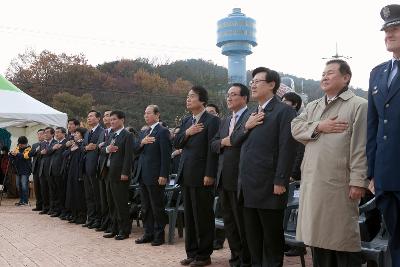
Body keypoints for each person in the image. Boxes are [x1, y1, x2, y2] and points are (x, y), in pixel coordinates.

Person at [291, 60, 368, 267]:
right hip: (313, 180)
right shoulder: (313, 105)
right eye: (323, 73)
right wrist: (320, 126)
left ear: (346, 78)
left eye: (331, 73)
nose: (324, 77)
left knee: (342, 239)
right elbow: (295, 128)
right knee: (318, 240)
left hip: (339, 182)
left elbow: (361, 146)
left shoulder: (359, 105)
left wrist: (358, 181)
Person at [231, 67, 297, 266]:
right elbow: (234, 140)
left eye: (257, 81)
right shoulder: (251, 113)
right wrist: (246, 126)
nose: (252, 84)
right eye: (252, 81)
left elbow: (288, 148)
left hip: (269, 186)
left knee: (271, 241)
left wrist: (280, 180)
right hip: (248, 186)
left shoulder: (284, 111)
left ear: (272, 85)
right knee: (253, 241)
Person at [367, 4, 400, 266]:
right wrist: (371, 172)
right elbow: (374, 125)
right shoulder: (378, 73)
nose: (389, 33)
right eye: (387, 29)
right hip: (386, 176)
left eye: (396, 28)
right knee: (396, 240)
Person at [174, 86, 220, 267]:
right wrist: (187, 132)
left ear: (202, 100)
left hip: (202, 175)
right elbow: (176, 143)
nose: (188, 99)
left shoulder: (212, 121)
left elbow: (213, 150)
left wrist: (210, 173)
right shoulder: (187, 121)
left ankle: (204, 255)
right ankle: (191, 253)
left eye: (192, 96)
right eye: (187, 96)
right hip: (186, 173)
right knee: (190, 217)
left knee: (203, 216)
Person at [210, 83, 251, 267]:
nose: (229, 98)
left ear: (244, 98)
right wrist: (225, 142)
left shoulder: (251, 117)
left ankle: (246, 259)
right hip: (224, 178)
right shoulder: (225, 120)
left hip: (241, 179)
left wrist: (226, 142)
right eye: (228, 94)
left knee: (243, 224)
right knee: (230, 223)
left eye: (233, 94)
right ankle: (235, 258)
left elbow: (245, 142)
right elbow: (213, 144)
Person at [134, 105, 171, 246]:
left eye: (149, 113)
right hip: (143, 174)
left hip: (156, 175)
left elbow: (166, 155)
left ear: (157, 115)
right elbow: (135, 150)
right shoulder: (144, 132)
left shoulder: (163, 131)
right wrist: (142, 142)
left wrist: (163, 174)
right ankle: (148, 233)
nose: (146, 115)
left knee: (157, 207)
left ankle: (159, 235)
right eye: (145, 113)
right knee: (145, 207)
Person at [100, 111, 133, 240]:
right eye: (110, 119)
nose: (111, 121)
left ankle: (124, 230)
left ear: (122, 120)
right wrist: (108, 149)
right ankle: (114, 229)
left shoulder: (127, 135)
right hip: (108, 173)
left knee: (121, 203)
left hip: (120, 175)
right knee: (111, 203)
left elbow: (128, 156)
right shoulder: (111, 135)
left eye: (114, 119)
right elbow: (102, 150)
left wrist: (125, 172)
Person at [82, 110, 104, 229]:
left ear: (98, 118)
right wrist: (86, 147)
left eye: (91, 116)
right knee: (89, 195)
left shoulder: (102, 131)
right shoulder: (87, 132)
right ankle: (90, 218)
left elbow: (102, 147)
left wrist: (95, 147)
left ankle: (98, 219)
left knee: (97, 195)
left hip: (95, 167)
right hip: (85, 167)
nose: (89, 118)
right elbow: (82, 147)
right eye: (88, 116)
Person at [64, 127, 87, 224]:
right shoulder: (74, 144)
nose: (75, 135)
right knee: (71, 194)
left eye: (77, 133)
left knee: (79, 195)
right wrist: (70, 148)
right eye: (75, 133)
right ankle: (74, 215)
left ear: (82, 134)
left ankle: (81, 216)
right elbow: (64, 154)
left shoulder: (83, 144)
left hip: (79, 172)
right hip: (71, 171)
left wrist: (78, 147)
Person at [282, 92, 305, 183]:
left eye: (285, 102)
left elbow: (300, 150)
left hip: (289, 173)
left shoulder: (297, 122)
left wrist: (293, 174)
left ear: (295, 104)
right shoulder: (282, 120)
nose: (282, 104)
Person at [96, 110, 113, 232]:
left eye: (109, 115)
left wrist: (104, 147)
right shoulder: (103, 132)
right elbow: (98, 149)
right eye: (105, 115)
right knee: (103, 199)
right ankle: (105, 222)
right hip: (102, 168)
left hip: (112, 168)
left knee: (111, 199)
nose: (106, 117)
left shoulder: (116, 133)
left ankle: (112, 224)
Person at [48, 127, 67, 217]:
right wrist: (53, 148)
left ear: (64, 133)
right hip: (52, 170)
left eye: (58, 132)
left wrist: (62, 146)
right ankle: (56, 210)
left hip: (60, 170)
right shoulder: (55, 143)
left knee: (61, 192)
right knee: (54, 191)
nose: (56, 134)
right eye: (55, 132)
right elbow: (48, 152)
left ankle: (63, 211)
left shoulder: (66, 143)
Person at [9, 136, 32, 206]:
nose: (20, 145)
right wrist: (11, 154)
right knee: (18, 186)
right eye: (19, 144)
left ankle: (26, 201)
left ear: (25, 143)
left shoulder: (29, 149)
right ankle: (21, 200)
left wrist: (17, 154)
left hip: (25, 170)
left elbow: (25, 156)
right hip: (17, 170)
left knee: (24, 186)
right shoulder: (17, 148)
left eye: (22, 144)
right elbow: (14, 156)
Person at [38, 127, 56, 214]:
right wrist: (41, 152)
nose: (45, 134)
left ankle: (52, 208)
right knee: (43, 189)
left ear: (52, 134)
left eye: (48, 132)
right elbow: (39, 154)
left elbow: (50, 152)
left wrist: (47, 151)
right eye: (44, 132)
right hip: (42, 169)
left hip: (50, 170)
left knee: (51, 190)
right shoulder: (42, 144)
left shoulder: (55, 143)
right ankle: (45, 207)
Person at [29, 129, 45, 211]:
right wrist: (36, 150)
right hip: (36, 168)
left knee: (43, 188)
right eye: (38, 134)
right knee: (37, 188)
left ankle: (45, 206)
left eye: (41, 134)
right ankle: (38, 205)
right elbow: (30, 154)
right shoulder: (35, 145)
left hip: (44, 169)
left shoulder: (47, 144)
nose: (39, 136)